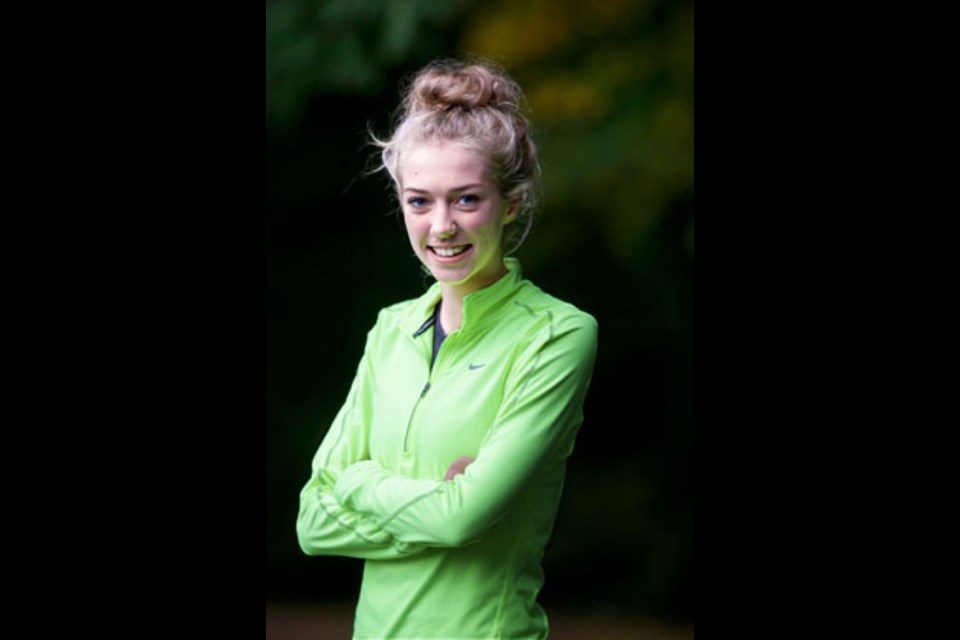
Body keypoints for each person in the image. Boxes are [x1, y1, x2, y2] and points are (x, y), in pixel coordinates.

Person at [296, 58, 598, 639]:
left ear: (509, 204)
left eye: (465, 200)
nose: (441, 227)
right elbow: (312, 523)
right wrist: (440, 499)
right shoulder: (390, 329)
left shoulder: (558, 334)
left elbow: (463, 520)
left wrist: (359, 482)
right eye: (419, 201)